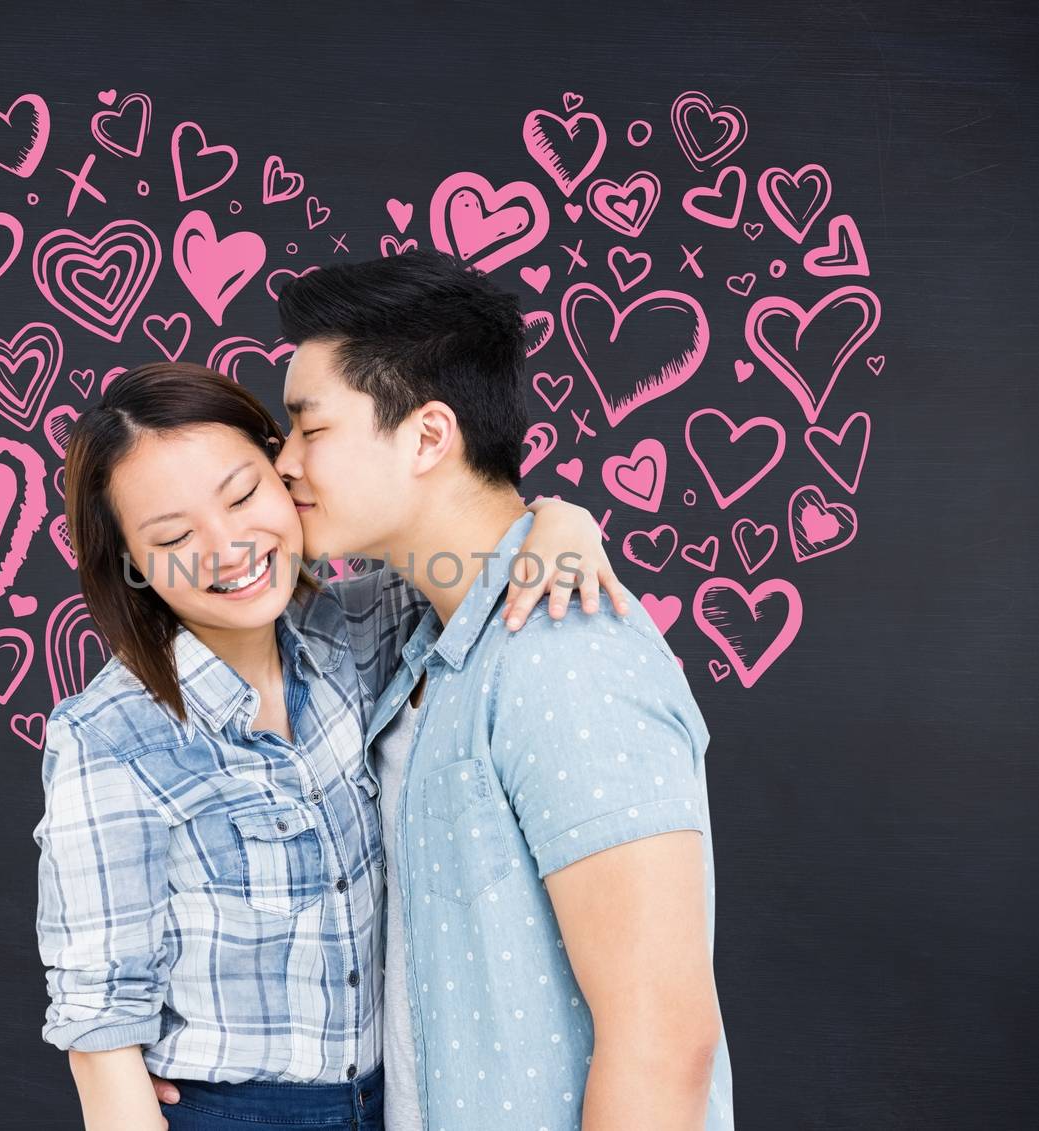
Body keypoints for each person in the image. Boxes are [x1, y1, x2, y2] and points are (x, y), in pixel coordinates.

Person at [32, 360, 629, 1130]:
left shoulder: (361, 627)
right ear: (133, 566)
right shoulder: (109, 736)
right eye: (174, 536)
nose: (227, 546)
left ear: (286, 469)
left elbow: (481, 548)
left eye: (244, 495)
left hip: (399, 1102)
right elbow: (101, 1027)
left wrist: (563, 519)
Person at [270, 249, 736, 1130]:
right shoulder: (420, 630)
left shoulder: (566, 656)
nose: (284, 463)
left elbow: (664, 1038)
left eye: (310, 428)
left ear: (430, 435)